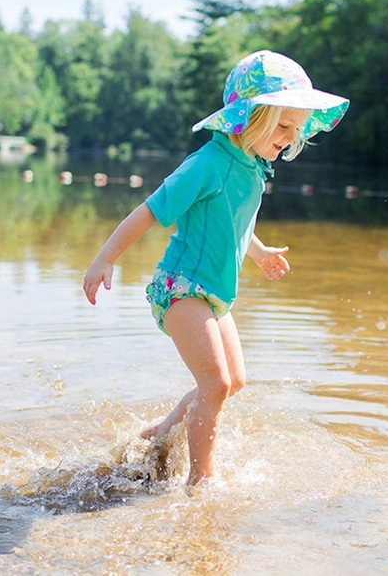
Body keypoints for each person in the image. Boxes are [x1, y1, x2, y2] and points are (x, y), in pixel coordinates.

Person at [83, 50, 349, 487]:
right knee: (216, 383)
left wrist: (258, 251)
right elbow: (150, 211)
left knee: (234, 381)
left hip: (214, 293)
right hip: (182, 287)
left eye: (296, 129)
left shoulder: (251, 166)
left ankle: (159, 435)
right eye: (282, 125)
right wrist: (105, 257)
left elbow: (234, 221)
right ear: (250, 116)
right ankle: (200, 480)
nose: (289, 137)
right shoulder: (207, 163)